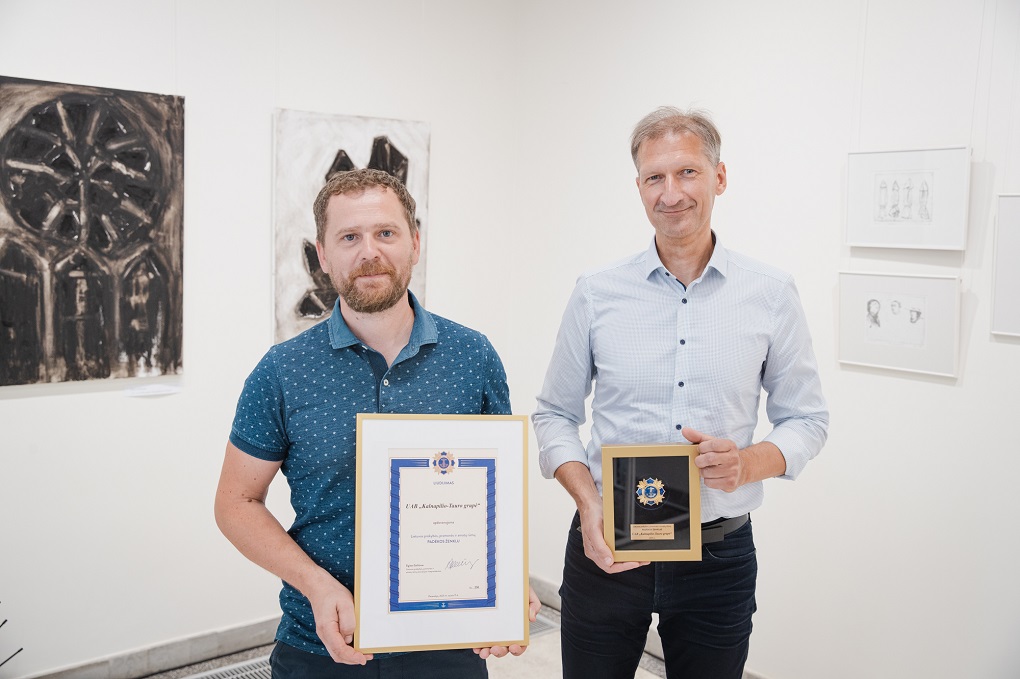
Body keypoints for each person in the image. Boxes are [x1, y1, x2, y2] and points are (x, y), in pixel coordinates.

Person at [532, 107, 829, 679]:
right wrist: (588, 503)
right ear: (639, 188)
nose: (671, 193)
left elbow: (807, 420)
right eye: (655, 177)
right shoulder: (596, 293)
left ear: (720, 177)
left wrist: (746, 464)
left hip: (719, 557)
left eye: (687, 172)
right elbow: (553, 415)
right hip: (607, 544)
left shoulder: (770, 294)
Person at [216, 168, 538, 677]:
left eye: (386, 232)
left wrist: (508, 581)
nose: (369, 252)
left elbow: (494, 495)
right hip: (322, 641)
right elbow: (235, 503)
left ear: (415, 242)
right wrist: (316, 585)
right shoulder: (282, 370)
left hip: (449, 637)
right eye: (349, 237)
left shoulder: (472, 357)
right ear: (323, 254)